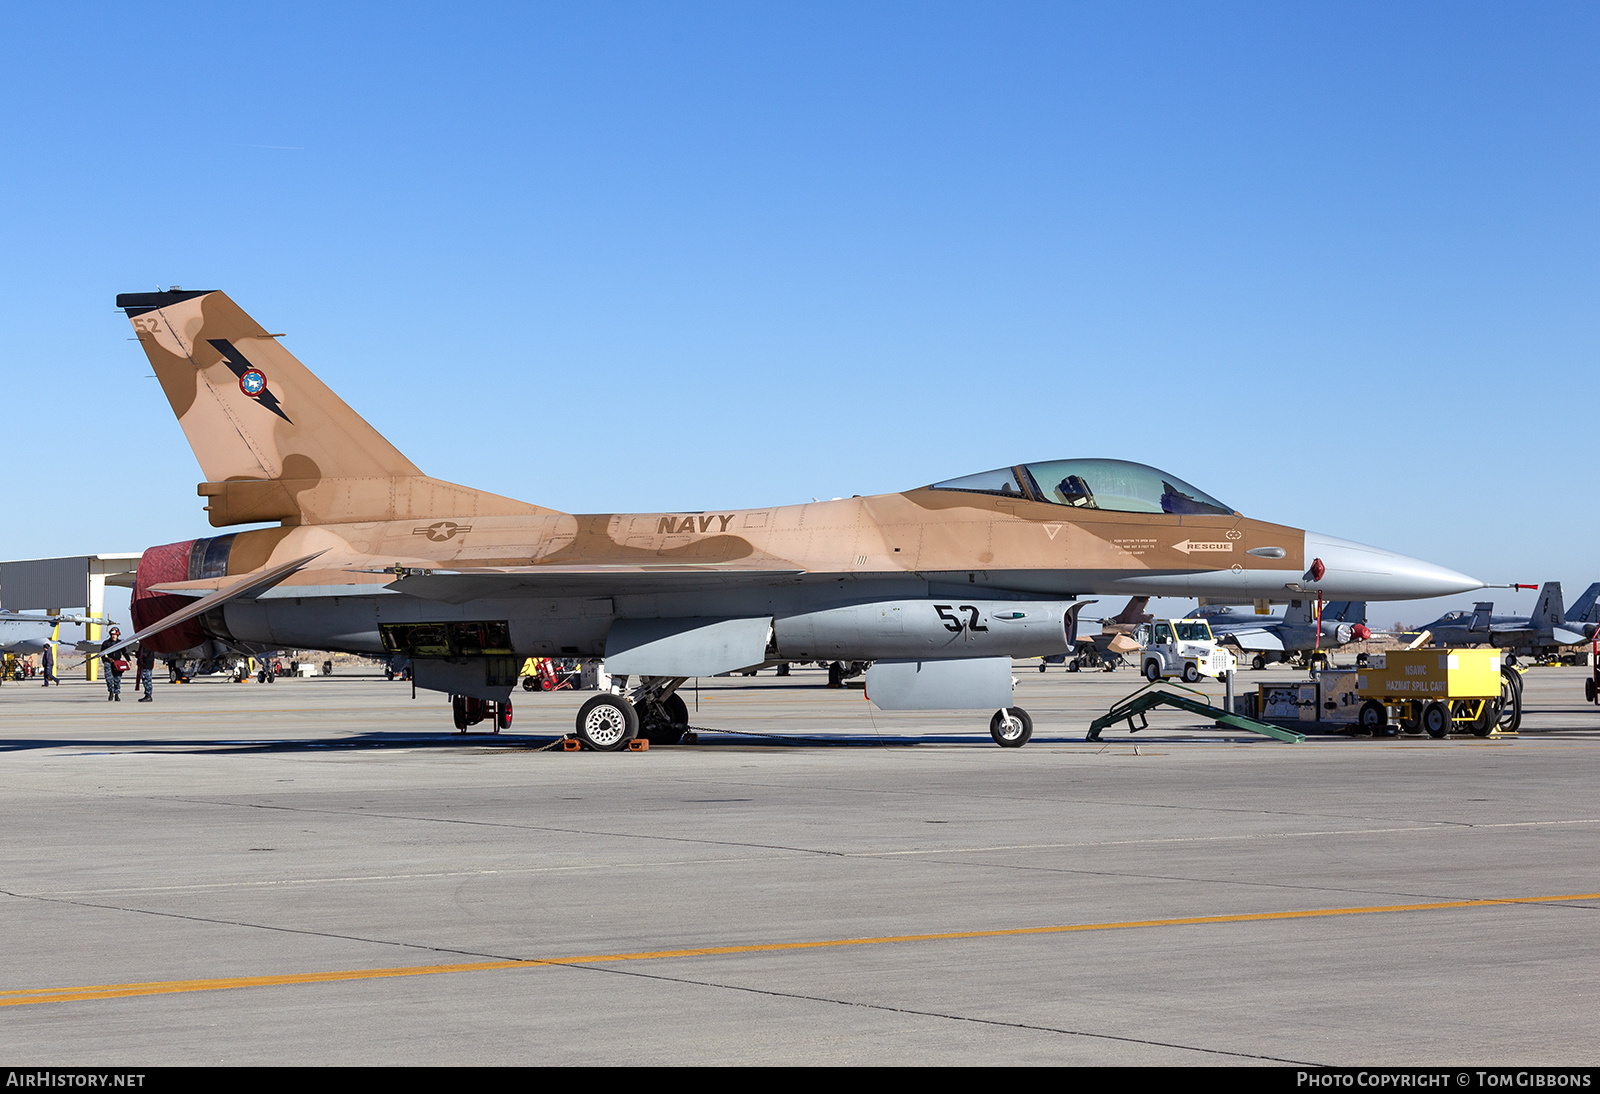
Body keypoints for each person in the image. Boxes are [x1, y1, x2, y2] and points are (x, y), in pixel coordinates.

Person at [100, 627, 125, 701]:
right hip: (108, 663)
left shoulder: (121, 643)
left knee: (117, 679)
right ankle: (111, 692)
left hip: (117, 663)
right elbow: (102, 653)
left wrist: (129, 660)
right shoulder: (106, 643)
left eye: (115, 635)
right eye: (112, 635)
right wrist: (105, 660)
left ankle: (117, 694)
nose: (114, 636)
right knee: (109, 679)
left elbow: (124, 652)